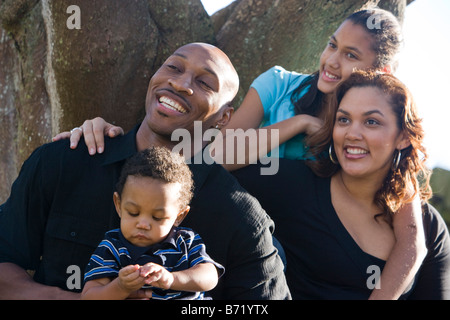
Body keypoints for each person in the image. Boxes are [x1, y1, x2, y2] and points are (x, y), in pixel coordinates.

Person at [62, 9, 426, 299]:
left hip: (295, 249)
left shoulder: (367, 131)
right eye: (332, 45)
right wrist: (298, 123)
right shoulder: (279, 84)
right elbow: (219, 153)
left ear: (379, 71)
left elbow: (414, 240)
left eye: (350, 55)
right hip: (229, 223)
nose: (331, 60)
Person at [0, 43, 290, 300]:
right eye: (174, 67)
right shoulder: (64, 162)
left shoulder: (239, 216)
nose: (180, 84)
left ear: (224, 117)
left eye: (204, 83)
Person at [233, 70, 450, 299]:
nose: (352, 133)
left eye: (371, 122)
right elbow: (211, 166)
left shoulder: (429, 226)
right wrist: (300, 123)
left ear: (404, 137)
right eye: (343, 119)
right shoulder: (293, 184)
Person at [82, 147, 224, 300]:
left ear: (179, 216)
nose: (143, 224)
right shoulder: (111, 247)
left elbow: (210, 277)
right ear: (118, 204)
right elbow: (89, 296)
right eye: (133, 213)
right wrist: (120, 287)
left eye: (157, 217)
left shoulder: (186, 241)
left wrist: (171, 279)